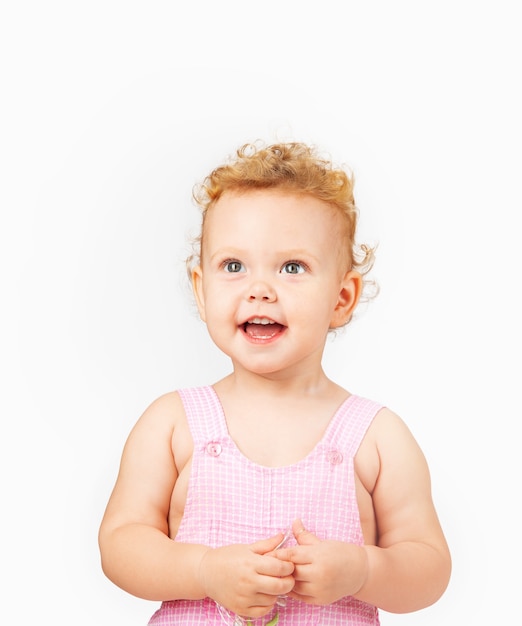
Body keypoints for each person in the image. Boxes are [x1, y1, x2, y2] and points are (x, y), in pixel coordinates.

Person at [98, 141, 451, 625]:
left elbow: (429, 569)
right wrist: (203, 569)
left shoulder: (376, 436)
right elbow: (120, 546)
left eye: (292, 267)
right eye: (234, 266)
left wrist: (363, 569)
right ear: (201, 290)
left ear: (342, 297)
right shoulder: (173, 423)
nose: (259, 288)